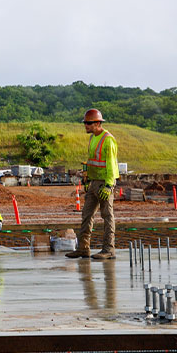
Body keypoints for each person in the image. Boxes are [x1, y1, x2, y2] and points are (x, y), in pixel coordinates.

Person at [66, 108, 119, 260]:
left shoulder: (108, 139)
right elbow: (92, 161)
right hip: (94, 182)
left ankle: (109, 249)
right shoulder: (92, 138)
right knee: (86, 215)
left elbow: (111, 165)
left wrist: (109, 185)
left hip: (105, 183)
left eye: (89, 123)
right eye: (85, 123)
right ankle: (83, 248)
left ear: (97, 123)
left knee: (107, 216)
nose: (86, 126)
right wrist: (88, 178)